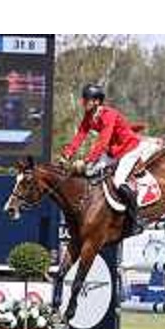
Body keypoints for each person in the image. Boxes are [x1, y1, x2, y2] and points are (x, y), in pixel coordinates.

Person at [61, 84, 144, 236]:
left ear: (97, 102)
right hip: (113, 151)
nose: (83, 102)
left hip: (130, 149)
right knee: (91, 174)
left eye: (87, 99)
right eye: (84, 99)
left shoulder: (109, 114)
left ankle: (135, 220)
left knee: (118, 181)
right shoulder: (89, 117)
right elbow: (80, 136)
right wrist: (67, 153)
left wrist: (86, 161)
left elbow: (103, 142)